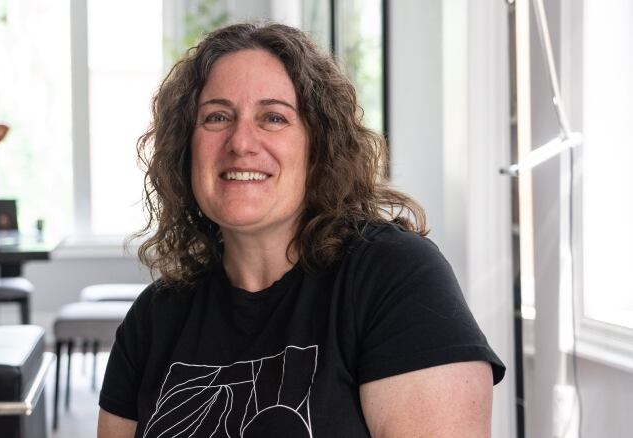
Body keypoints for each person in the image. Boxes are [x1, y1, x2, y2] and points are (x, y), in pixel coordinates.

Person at [98, 22, 505, 438]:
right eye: (217, 117)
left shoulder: (393, 278)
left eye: (273, 117)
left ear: (320, 148)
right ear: (186, 149)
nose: (241, 142)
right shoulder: (155, 317)